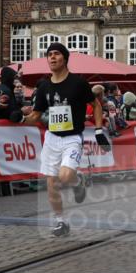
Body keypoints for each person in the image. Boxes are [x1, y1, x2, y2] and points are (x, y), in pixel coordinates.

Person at [22, 42, 109, 237]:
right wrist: (20, 119)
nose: (52, 57)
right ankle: (61, 221)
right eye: (49, 54)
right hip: (52, 138)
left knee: (65, 176)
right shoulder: (44, 86)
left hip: (72, 138)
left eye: (56, 54)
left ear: (65, 58)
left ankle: (78, 182)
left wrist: (98, 131)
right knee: (51, 182)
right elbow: (35, 115)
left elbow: (96, 105)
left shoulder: (78, 83)